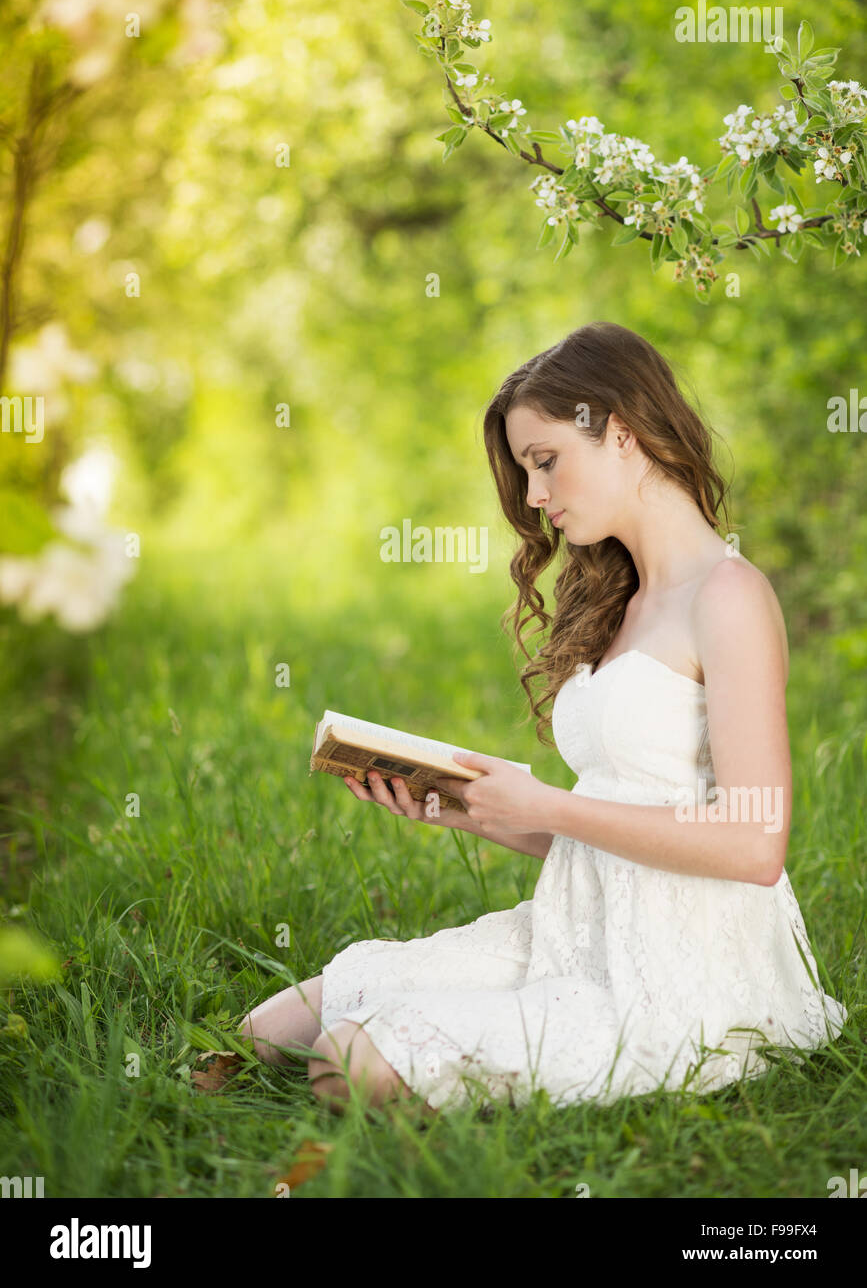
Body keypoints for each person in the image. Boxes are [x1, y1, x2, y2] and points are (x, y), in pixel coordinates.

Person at [237, 320, 848, 1116]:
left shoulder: (727, 597)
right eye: (528, 471)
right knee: (272, 1029)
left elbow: (754, 845)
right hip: (573, 932)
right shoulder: (622, 597)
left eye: (545, 462)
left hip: (684, 970)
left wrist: (548, 804)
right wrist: (466, 808)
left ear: (621, 433)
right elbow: (605, 842)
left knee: (346, 1061)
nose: (533, 497)